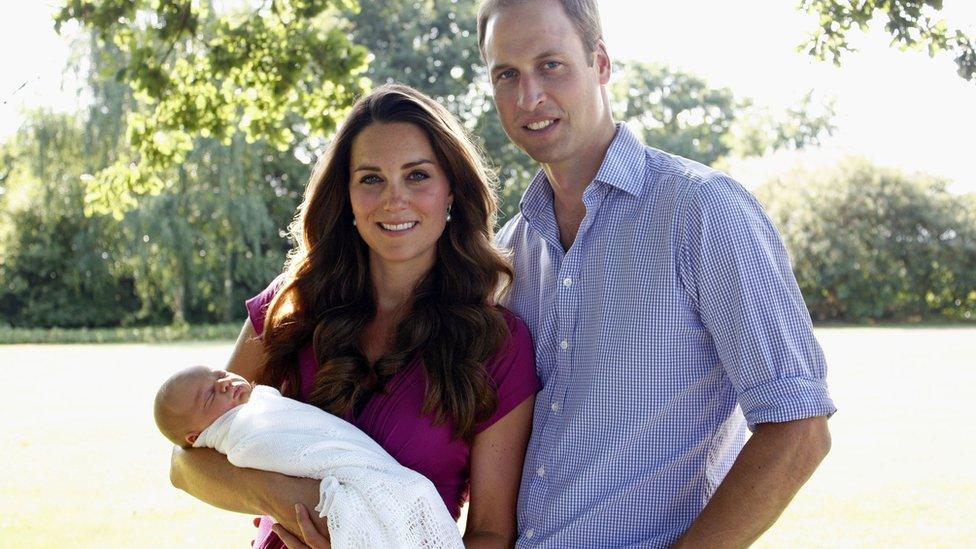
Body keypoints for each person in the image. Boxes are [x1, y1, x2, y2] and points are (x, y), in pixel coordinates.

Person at [476, 0, 837, 546]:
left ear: (600, 63)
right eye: (507, 74)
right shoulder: (508, 255)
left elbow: (799, 430)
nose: (529, 96)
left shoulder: (704, 212)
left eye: (550, 64)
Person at [168, 84, 541, 549]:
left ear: (452, 192)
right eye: (371, 178)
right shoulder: (290, 305)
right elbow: (186, 464)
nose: (394, 199)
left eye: (418, 175)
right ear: (345, 195)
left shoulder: (498, 344)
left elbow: (491, 533)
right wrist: (299, 501)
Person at [154, 365, 463, 547]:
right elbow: (181, 466)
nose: (223, 383)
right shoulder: (241, 436)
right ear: (196, 436)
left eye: (219, 374)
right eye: (209, 394)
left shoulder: (255, 404)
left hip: (384, 482)